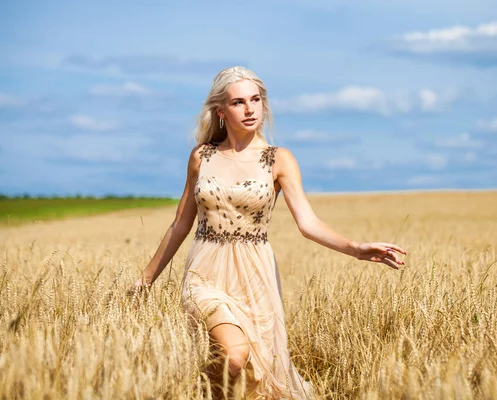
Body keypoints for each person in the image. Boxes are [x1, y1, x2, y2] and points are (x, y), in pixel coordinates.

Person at [130, 66, 407, 399]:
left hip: (255, 277)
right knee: (236, 353)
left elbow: (308, 222)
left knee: (252, 375)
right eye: (238, 102)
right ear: (221, 111)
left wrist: (356, 248)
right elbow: (180, 224)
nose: (249, 109)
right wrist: (145, 279)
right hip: (204, 272)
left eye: (255, 100)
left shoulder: (279, 160)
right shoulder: (201, 157)